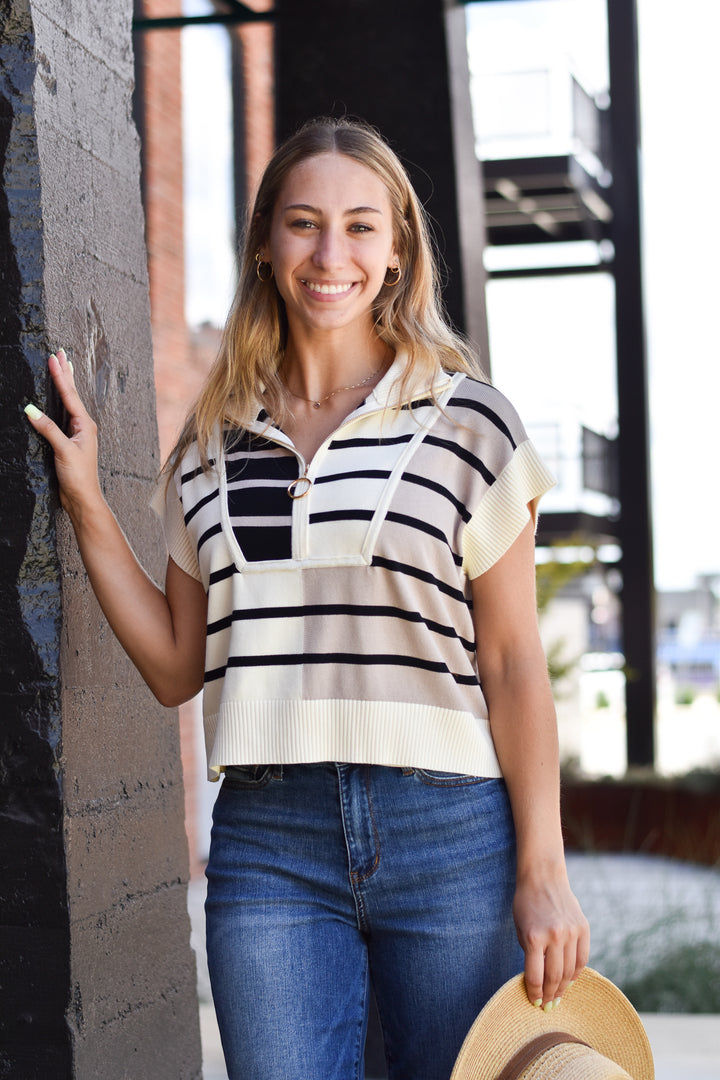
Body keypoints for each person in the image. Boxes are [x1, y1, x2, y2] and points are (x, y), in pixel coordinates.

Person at [25, 116, 589, 1080]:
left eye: (362, 226)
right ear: (265, 243)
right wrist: (83, 496)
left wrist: (543, 869)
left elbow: (511, 664)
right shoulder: (209, 444)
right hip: (269, 842)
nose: (333, 254)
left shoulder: (468, 422)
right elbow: (172, 668)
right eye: (304, 223)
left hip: (450, 836)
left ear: (399, 250)